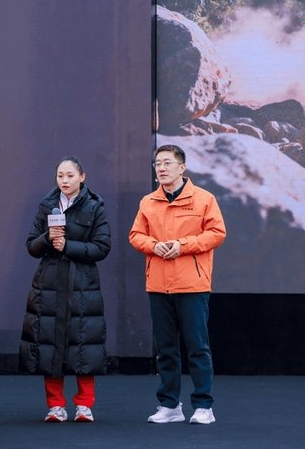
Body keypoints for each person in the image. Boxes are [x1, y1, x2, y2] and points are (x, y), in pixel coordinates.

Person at [128, 144, 226, 425]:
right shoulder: (148, 202)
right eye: (157, 163)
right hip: (159, 285)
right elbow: (135, 235)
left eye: (167, 163)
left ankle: (204, 406)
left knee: (197, 347)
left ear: (181, 168)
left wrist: (182, 245)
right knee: (166, 349)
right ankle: (170, 405)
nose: (161, 168)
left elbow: (217, 233)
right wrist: (154, 245)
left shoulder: (204, 199)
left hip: (192, 284)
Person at [19, 157, 111, 423]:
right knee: (50, 343)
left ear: (82, 177)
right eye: (60, 176)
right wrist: (48, 238)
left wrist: (68, 246)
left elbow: (102, 247)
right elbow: (31, 246)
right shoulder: (47, 204)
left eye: (70, 175)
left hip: (83, 282)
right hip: (49, 282)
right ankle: (55, 406)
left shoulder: (94, 206)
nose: (65, 181)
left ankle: (84, 405)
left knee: (84, 342)